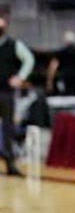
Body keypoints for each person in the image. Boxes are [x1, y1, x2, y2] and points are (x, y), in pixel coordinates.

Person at [0, 14, 34, 176]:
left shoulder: (14, 45)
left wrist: (20, 77)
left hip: (6, 93)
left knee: (8, 129)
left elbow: (29, 59)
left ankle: (10, 164)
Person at [46, 31, 75, 96]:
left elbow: (53, 67)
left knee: (63, 97)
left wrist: (49, 82)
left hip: (63, 78)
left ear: (64, 41)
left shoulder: (60, 53)